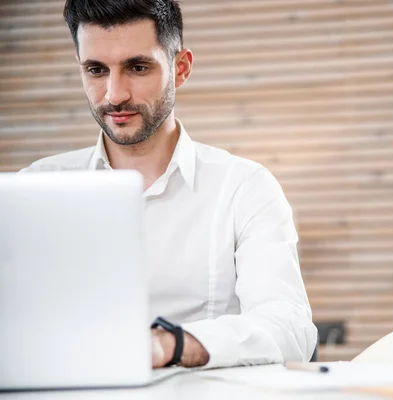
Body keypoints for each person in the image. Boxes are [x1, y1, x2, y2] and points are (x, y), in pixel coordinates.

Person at [21, 0, 317, 369]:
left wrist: (170, 346)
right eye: (96, 70)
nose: (114, 94)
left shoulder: (245, 188)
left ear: (180, 68)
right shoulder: (34, 189)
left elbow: (290, 328)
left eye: (137, 67)